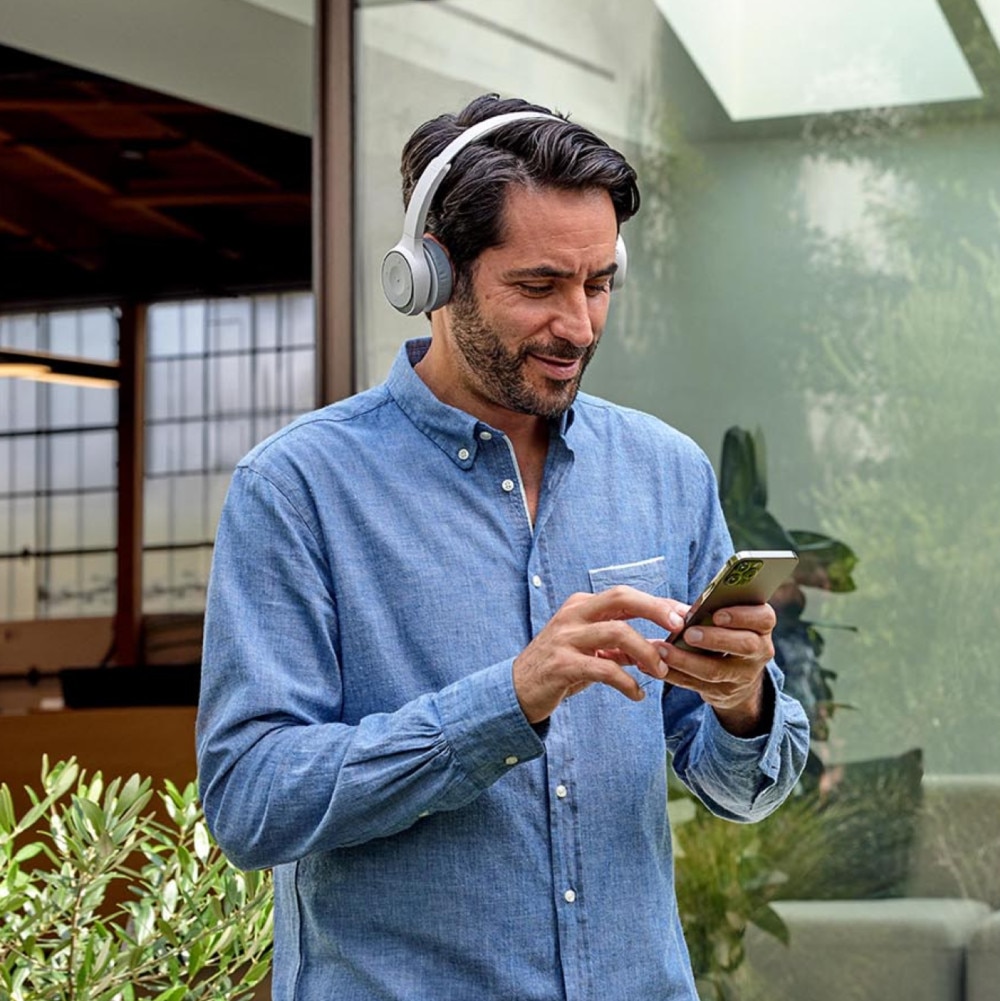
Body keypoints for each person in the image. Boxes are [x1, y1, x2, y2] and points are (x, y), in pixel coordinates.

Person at [196, 93, 809, 1001]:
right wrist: (506, 701)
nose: (581, 324)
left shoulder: (665, 472)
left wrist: (740, 703)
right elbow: (252, 800)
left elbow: (742, 785)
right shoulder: (296, 491)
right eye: (539, 287)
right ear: (432, 275)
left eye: (599, 282)